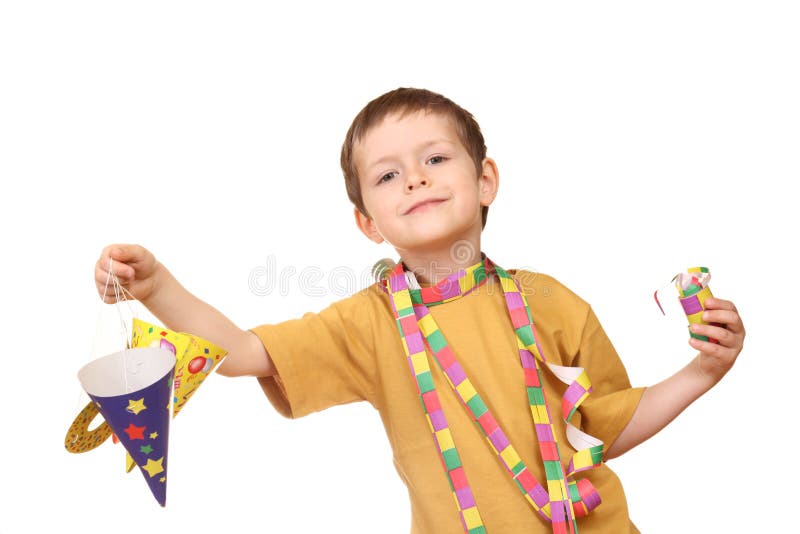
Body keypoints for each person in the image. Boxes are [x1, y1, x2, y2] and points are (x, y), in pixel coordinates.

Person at [95, 88, 745, 533]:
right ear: (367, 223)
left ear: (484, 179)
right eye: (387, 175)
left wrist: (702, 375)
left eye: (435, 159)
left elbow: (604, 429)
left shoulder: (552, 303)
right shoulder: (369, 324)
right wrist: (158, 287)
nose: (414, 179)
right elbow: (242, 353)